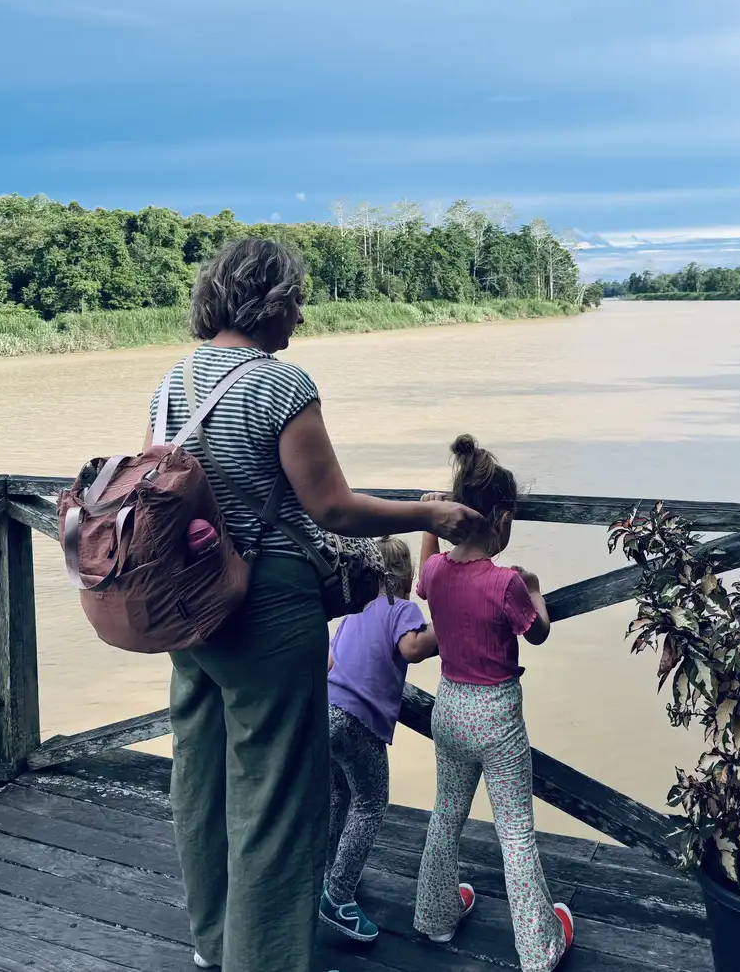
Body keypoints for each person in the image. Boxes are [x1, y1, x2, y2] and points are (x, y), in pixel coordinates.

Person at [145, 238, 483, 972]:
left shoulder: (173, 381)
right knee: (277, 796)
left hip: (187, 603)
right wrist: (429, 517)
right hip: (265, 607)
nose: (300, 309)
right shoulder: (280, 384)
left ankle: (215, 943)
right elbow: (333, 508)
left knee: (200, 776)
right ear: (268, 300)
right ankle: (262, 960)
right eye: (295, 295)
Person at [413, 435, 574, 972]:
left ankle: (434, 918)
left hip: (449, 707)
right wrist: (536, 590)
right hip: (497, 716)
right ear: (501, 518)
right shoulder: (505, 583)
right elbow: (539, 633)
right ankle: (538, 947)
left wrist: (427, 524)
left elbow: (421, 578)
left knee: (446, 816)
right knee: (515, 831)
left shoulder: (437, 573)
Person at [321, 535, 438, 942]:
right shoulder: (401, 608)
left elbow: (332, 658)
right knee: (370, 804)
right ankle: (338, 896)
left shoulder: (354, 610)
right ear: (404, 577)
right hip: (358, 722)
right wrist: (448, 624)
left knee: (339, 796)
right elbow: (412, 649)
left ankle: (327, 871)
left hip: (325, 711)